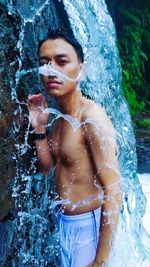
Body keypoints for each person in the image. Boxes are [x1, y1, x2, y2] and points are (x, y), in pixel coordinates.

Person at [28, 29, 123, 267]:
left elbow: (114, 191)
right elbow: (48, 167)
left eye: (61, 62)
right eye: (44, 63)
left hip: (88, 226)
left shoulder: (92, 119)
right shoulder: (60, 118)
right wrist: (39, 128)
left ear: (81, 68)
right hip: (64, 223)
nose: (50, 71)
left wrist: (100, 261)